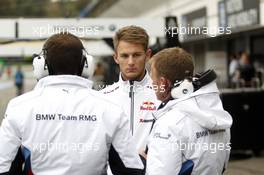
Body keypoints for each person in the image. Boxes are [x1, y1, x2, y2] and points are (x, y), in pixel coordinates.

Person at [0, 33, 144, 175]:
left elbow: (4, 168)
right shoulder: (110, 108)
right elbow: (130, 170)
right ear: (87, 66)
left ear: (41, 65)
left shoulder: (18, 107)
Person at [145, 47, 233, 175]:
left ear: (163, 82)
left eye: (153, 80)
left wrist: (145, 164)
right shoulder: (218, 114)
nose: (151, 85)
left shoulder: (169, 124)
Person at [101, 25, 160, 152]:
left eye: (137, 55)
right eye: (125, 56)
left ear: (148, 55)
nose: (131, 62)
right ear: (116, 57)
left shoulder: (163, 95)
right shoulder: (102, 97)